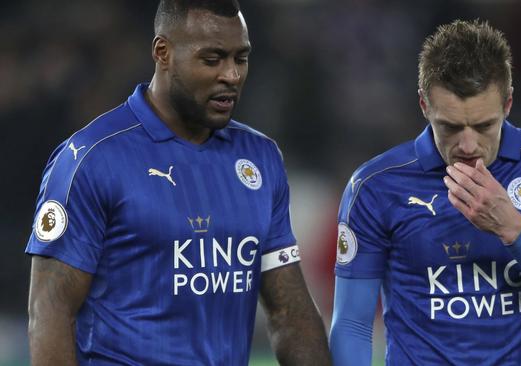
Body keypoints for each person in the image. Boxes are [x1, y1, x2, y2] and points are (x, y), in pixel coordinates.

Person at [26, 1, 331, 365]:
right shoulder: (92, 159)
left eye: (241, 58)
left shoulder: (260, 158)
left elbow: (288, 315)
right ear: (163, 52)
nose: (232, 75)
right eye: (213, 59)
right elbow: (51, 310)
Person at [329, 19, 521, 365]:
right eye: (450, 126)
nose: (468, 145)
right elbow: (352, 325)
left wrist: (513, 230)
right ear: (424, 106)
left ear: (507, 105)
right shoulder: (375, 187)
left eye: (484, 125)